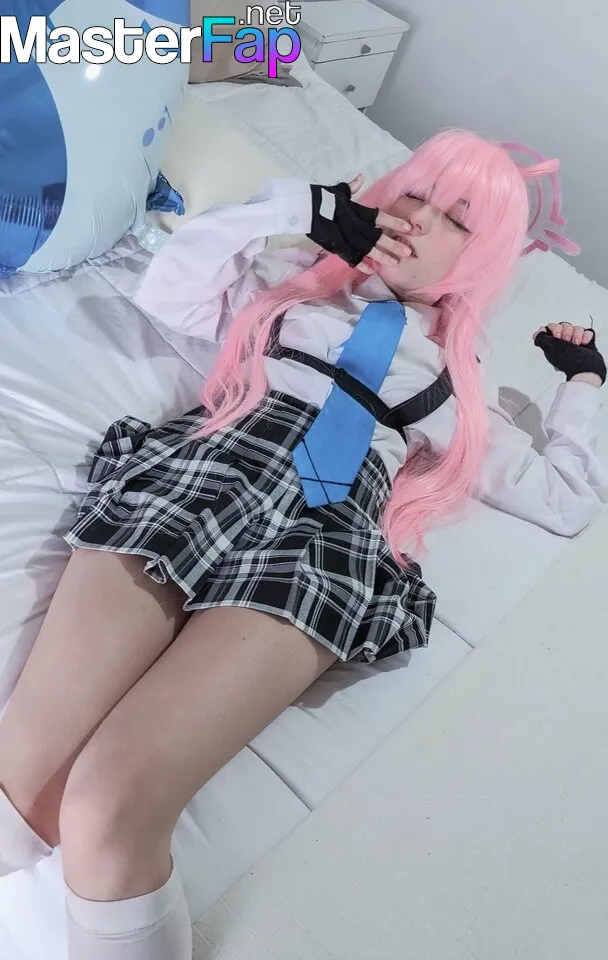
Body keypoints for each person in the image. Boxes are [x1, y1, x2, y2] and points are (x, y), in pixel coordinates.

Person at [0, 129, 606, 960]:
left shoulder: (450, 382)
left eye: (456, 218)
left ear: (483, 256)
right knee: (25, 780)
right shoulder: (290, 292)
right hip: (200, 473)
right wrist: (297, 208)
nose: (417, 220)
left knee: (109, 803)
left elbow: (566, 498)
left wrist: (584, 381)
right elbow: (168, 290)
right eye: (414, 193)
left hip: (323, 534)